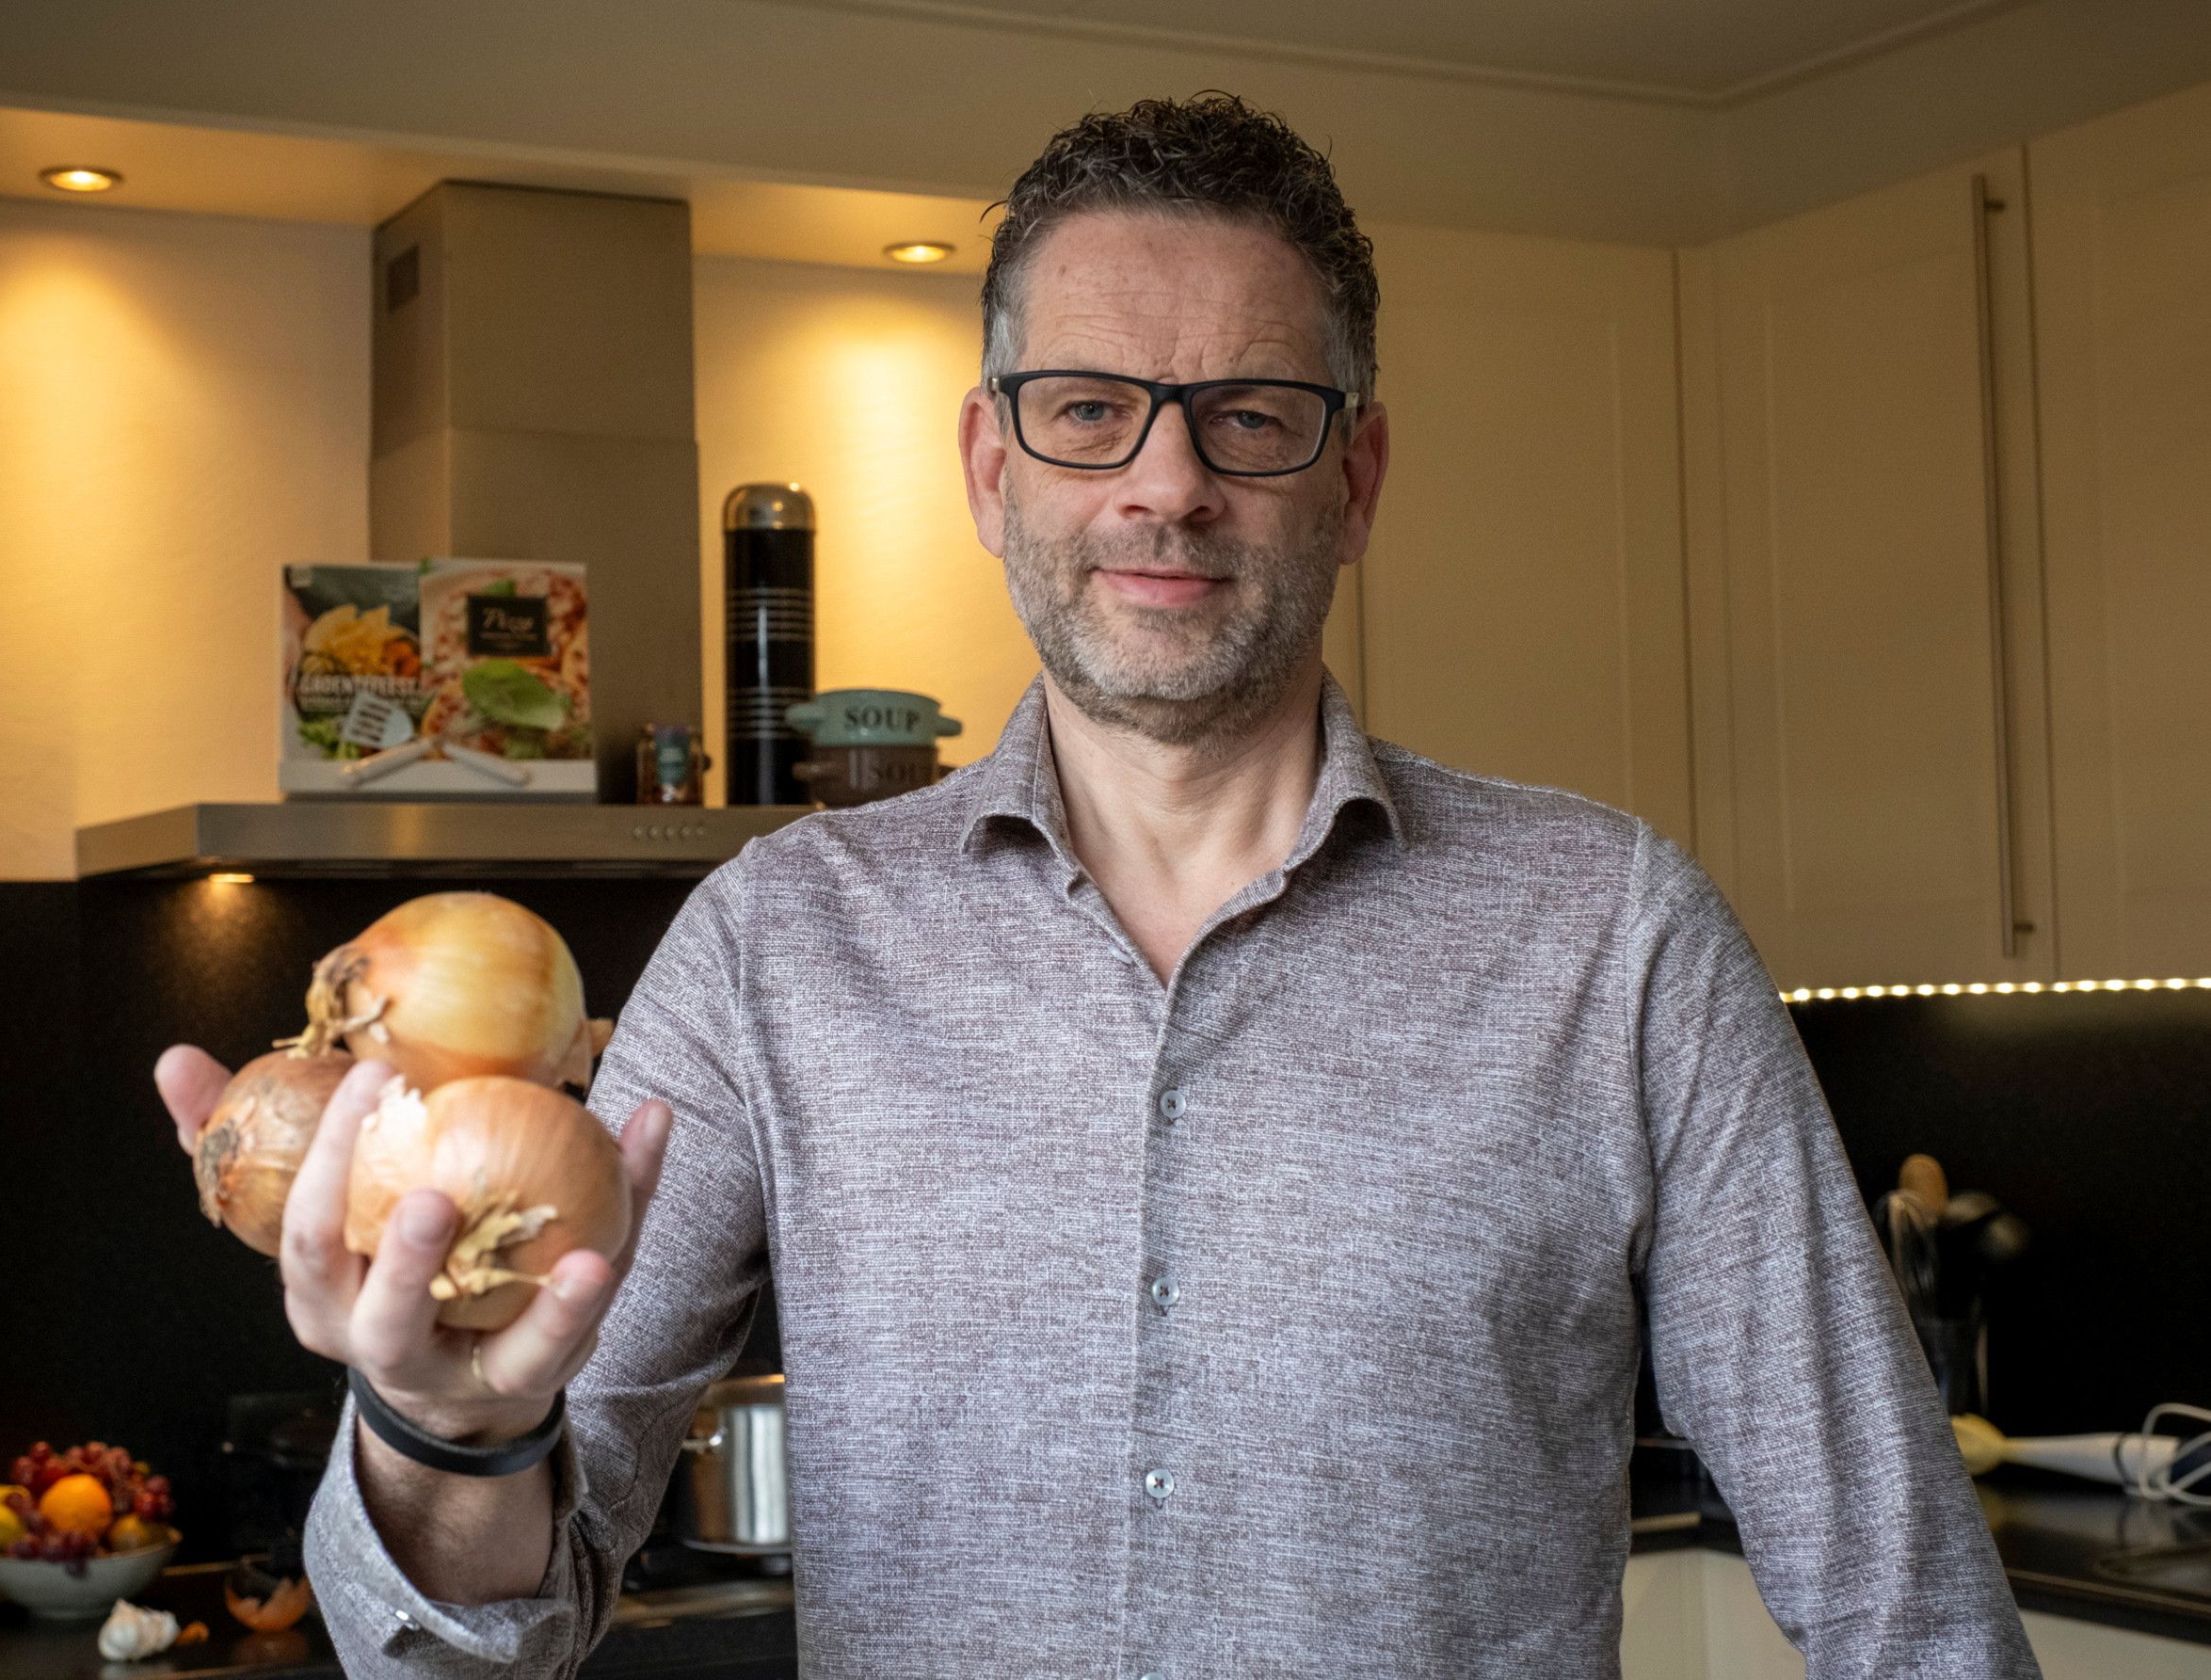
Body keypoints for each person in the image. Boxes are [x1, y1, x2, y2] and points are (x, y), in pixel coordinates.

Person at [156, 93, 2040, 1678]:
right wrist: (447, 1423)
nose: (1166, 481)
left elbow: (1908, 1602)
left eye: (1248, 410)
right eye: (1083, 408)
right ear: (990, 465)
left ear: (1355, 473)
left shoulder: (1612, 939)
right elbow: (477, 1631)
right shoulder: (775, 945)